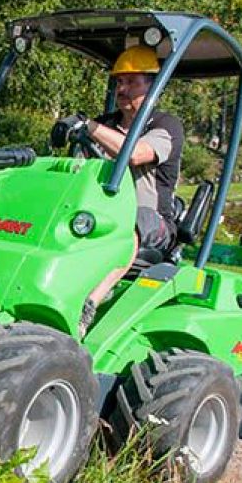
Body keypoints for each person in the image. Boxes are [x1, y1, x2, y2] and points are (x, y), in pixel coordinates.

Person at [52, 45, 184, 336]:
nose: (121, 89)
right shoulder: (107, 123)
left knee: (132, 222)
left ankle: (88, 305)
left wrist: (89, 126)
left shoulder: (165, 125)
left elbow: (136, 153)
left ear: (152, 87)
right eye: (119, 82)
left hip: (155, 223)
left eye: (131, 82)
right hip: (101, 217)